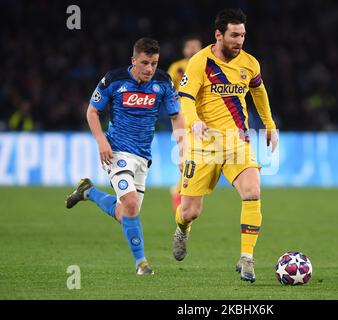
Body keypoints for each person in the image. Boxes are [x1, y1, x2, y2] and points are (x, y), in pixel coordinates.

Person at [173, 8, 278, 283]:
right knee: (190, 211)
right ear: (218, 35)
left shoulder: (249, 63)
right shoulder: (199, 62)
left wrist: (269, 124)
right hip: (203, 144)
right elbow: (184, 97)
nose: (239, 41)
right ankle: (182, 229)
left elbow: (258, 90)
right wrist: (193, 121)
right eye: (233, 35)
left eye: (242, 35)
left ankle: (247, 258)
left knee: (253, 190)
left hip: (236, 142)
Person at [65, 38, 184, 276]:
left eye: (154, 63)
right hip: (116, 151)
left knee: (127, 213)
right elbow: (92, 111)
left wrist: (182, 147)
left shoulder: (163, 82)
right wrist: (101, 141)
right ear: (134, 61)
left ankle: (88, 192)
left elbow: (176, 115)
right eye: (145, 63)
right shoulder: (114, 80)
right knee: (130, 203)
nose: (150, 69)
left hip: (143, 157)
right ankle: (142, 264)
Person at [167, 35, 203, 212]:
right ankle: (180, 194)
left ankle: (180, 191)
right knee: (188, 155)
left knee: (196, 157)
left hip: (203, 117)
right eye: (190, 47)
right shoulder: (177, 67)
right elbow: (168, 90)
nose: (193, 50)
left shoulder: (206, 64)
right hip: (183, 117)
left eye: (196, 47)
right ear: (184, 50)